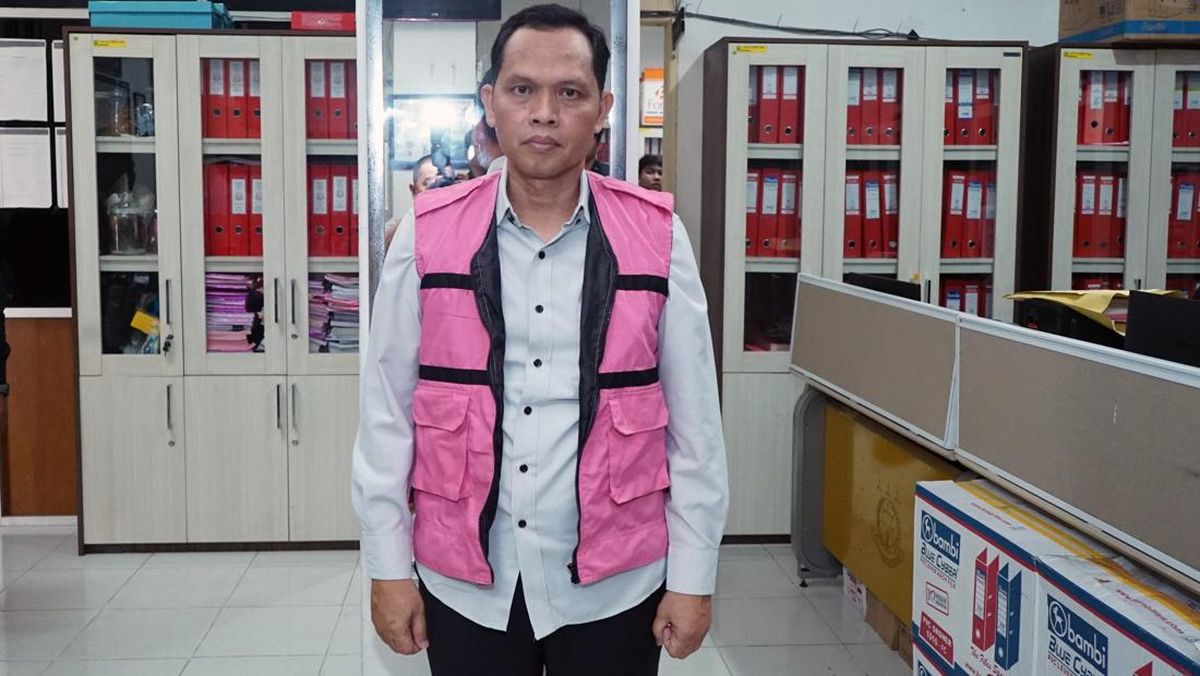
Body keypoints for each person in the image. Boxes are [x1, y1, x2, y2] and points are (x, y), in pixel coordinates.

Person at [353, 4, 728, 676]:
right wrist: (387, 566)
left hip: (616, 586)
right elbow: (387, 414)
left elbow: (695, 425)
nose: (545, 114)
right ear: (489, 102)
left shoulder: (658, 237)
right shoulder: (426, 234)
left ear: (603, 109)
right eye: (522, 89)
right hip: (468, 584)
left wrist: (694, 575)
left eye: (571, 93)